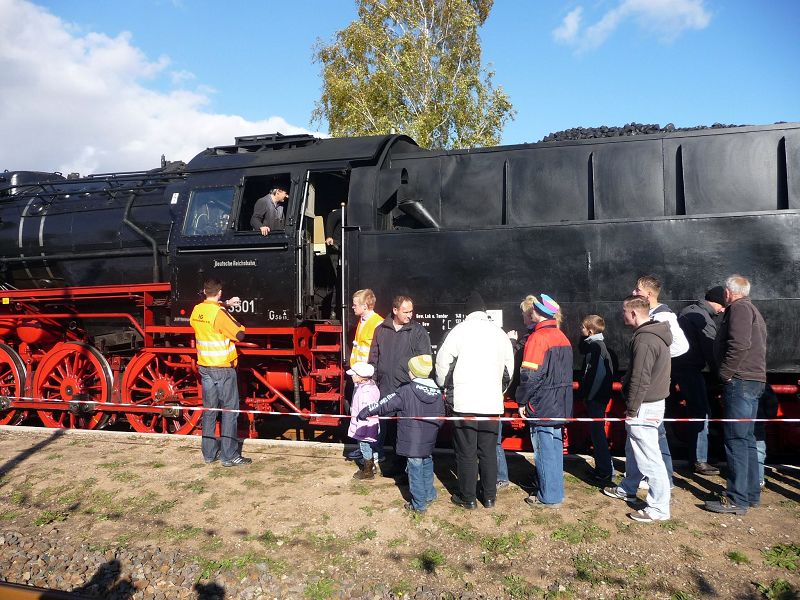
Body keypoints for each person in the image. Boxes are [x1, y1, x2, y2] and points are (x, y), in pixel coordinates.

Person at [435, 291, 515, 509]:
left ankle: (467, 497)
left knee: (466, 452)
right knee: (488, 451)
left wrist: (445, 386)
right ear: (483, 311)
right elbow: (509, 369)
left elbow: (442, 363)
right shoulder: (499, 334)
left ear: (466, 312)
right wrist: (499, 390)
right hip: (491, 403)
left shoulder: (458, 331)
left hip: (464, 403)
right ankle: (489, 497)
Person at [603, 295, 672, 522]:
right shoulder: (656, 335)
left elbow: (640, 378)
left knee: (649, 458)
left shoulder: (644, 340)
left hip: (644, 405)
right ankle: (629, 488)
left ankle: (659, 508)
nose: (622, 316)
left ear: (633, 313)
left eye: (624, 311)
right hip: (651, 402)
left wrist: (632, 408)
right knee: (638, 451)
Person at [705, 275, 767, 515]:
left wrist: (725, 374)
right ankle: (750, 494)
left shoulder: (739, 309)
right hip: (752, 380)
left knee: (736, 441)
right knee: (747, 439)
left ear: (728, 294)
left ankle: (737, 499)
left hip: (740, 381)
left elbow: (739, 344)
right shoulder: (753, 310)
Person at [358, 355, 445, 513]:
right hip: (429, 438)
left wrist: (367, 411)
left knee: (415, 469)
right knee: (427, 462)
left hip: (412, 439)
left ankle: (418, 505)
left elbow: (385, 404)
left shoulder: (406, 390)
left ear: (412, 372)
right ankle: (430, 494)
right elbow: (441, 417)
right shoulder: (436, 392)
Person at [516, 294, 573, 507]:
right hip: (560, 401)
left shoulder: (538, 338)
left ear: (537, 313)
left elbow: (530, 375)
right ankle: (554, 489)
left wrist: (522, 400)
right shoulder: (561, 336)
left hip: (543, 404)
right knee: (555, 448)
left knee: (544, 449)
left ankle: (549, 496)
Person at [631, 275, 689, 487]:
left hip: (654, 381)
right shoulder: (654, 314)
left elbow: (682, 346)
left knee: (656, 431)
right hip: (653, 379)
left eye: (638, 290)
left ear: (648, 294)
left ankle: (664, 477)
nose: (634, 292)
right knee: (655, 431)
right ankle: (660, 476)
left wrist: (658, 358)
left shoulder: (664, 316)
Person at [189, 278, 251, 467]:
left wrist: (224, 305)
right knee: (229, 411)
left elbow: (209, 311)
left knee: (209, 411)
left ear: (204, 291)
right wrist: (239, 324)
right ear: (220, 293)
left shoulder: (198, 310)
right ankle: (229, 456)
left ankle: (208, 454)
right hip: (222, 368)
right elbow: (240, 335)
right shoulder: (220, 314)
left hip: (205, 367)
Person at [368, 295, 432, 473]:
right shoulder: (380, 330)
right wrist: (373, 380)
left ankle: (403, 469)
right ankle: (389, 463)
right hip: (385, 388)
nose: (410, 315)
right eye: (406, 311)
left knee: (405, 431)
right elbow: (374, 357)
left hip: (407, 390)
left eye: (411, 311)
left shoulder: (418, 332)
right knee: (388, 429)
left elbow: (425, 360)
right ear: (395, 310)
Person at [672, 286, 726, 475]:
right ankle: (699, 459)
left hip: (681, 367)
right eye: (723, 306)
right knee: (701, 412)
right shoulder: (702, 319)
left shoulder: (689, 311)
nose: (722, 311)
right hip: (689, 368)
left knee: (698, 410)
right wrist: (721, 375)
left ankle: (697, 456)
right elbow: (710, 350)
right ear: (718, 302)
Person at [345, 289, 385, 462]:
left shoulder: (377, 323)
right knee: (361, 415)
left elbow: (378, 353)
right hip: (360, 377)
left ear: (365, 305)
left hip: (368, 379)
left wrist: (370, 376)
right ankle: (365, 450)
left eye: (355, 304)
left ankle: (376, 452)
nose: (352, 307)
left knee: (370, 417)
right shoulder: (362, 320)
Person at [579, 314, 615, 484]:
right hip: (597, 397)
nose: (581, 330)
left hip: (595, 399)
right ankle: (604, 468)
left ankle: (605, 470)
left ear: (590, 330)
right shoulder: (598, 347)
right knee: (597, 433)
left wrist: (588, 396)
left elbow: (594, 375)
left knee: (598, 434)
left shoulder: (596, 348)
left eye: (583, 328)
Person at [346, 362, 381, 480]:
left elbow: (364, 412)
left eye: (353, 374)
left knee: (365, 447)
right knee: (369, 446)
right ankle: (371, 467)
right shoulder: (370, 387)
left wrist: (361, 429)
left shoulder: (364, 393)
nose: (351, 376)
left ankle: (367, 471)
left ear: (360, 377)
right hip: (369, 425)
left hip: (364, 426)